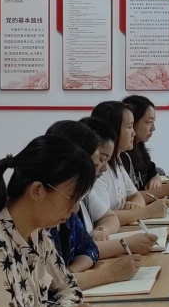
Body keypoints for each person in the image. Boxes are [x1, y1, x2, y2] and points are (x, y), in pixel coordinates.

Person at [0, 135, 95, 307]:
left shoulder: (38, 234)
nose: (75, 208)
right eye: (72, 197)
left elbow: (68, 289)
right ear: (37, 190)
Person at [46, 121, 148, 291]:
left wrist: (71, 272)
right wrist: (111, 273)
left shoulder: (67, 204)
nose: (103, 168)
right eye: (98, 162)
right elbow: (51, 285)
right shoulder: (38, 224)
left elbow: (89, 248)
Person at [79, 117, 159, 258]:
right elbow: (77, 255)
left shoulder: (86, 190)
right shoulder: (89, 184)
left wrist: (102, 229)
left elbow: (110, 217)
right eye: (129, 126)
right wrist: (147, 212)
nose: (104, 168)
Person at [91, 101, 169, 226]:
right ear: (113, 130)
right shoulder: (99, 170)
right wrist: (147, 212)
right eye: (129, 127)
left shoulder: (117, 161)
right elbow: (104, 217)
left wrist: (135, 208)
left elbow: (137, 196)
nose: (134, 133)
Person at [122, 95, 169, 199]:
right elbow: (127, 198)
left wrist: (155, 180)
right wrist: (164, 191)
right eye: (148, 122)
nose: (153, 128)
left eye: (153, 121)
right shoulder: (121, 155)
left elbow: (153, 172)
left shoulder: (139, 147)